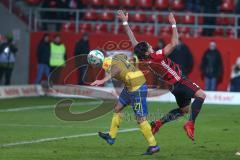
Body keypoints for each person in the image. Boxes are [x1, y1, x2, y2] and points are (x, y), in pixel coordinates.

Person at [118, 10, 206, 141]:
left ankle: (158, 123)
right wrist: (174, 24)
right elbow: (175, 43)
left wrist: (125, 22)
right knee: (201, 95)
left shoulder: (143, 59)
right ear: (147, 52)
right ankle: (190, 123)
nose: (150, 45)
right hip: (179, 81)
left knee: (184, 110)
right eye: (148, 46)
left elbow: (132, 39)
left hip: (173, 87)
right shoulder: (156, 56)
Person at [89, 53, 160, 155]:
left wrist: (102, 80)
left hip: (137, 86)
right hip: (129, 86)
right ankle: (111, 136)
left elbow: (116, 69)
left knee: (140, 119)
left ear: (95, 61)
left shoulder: (106, 64)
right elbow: (128, 58)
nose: (92, 64)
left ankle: (153, 145)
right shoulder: (116, 57)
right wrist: (131, 64)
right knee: (117, 108)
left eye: (92, 61)